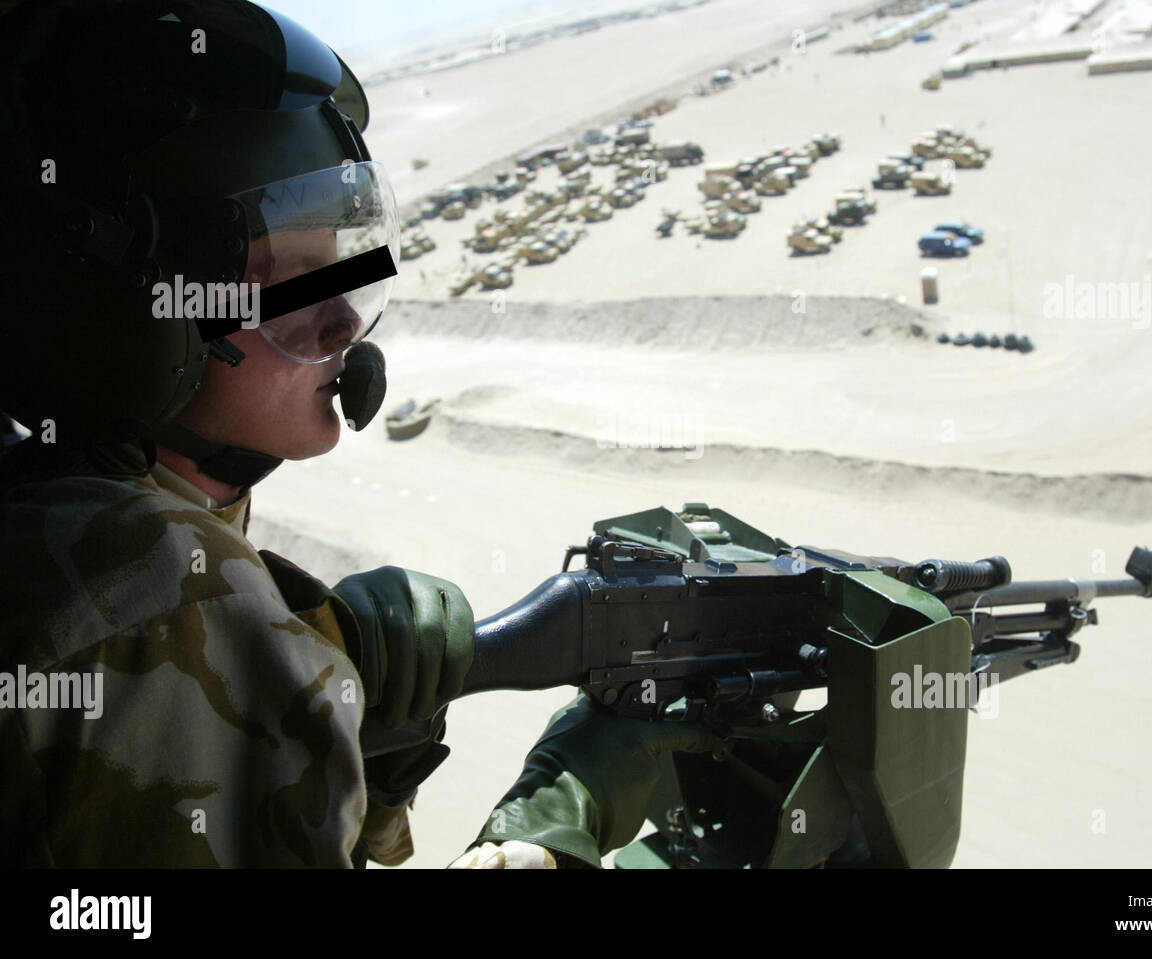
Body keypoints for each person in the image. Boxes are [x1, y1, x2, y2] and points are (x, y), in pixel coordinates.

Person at [0, 0, 715, 869]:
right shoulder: (144, 587)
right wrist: (560, 820)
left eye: (347, 266)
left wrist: (324, 718)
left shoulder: (63, 515)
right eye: (297, 284)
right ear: (134, 323)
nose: (345, 323)